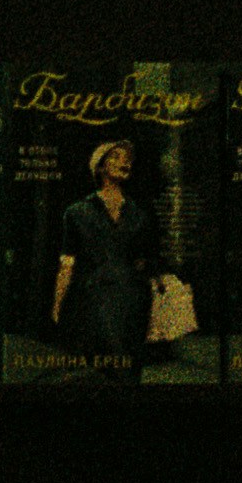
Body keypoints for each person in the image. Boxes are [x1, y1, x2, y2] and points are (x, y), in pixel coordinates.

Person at [47, 135, 154, 365]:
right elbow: (67, 264)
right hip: (92, 305)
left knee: (128, 370)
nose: (125, 161)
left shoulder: (138, 215)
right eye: (116, 156)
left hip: (131, 306)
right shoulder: (77, 213)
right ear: (100, 167)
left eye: (128, 158)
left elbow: (142, 262)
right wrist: (58, 304)